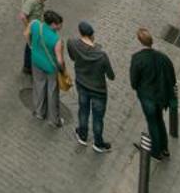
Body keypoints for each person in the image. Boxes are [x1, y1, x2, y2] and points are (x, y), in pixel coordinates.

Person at [67, 20, 116, 152]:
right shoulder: (101, 56)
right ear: (92, 35)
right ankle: (98, 143)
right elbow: (111, 76)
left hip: (82, 85)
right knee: (98, 118)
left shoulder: (72, 43)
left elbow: (72, 57)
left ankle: (82, 135)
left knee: (83, 109)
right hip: (98, 91)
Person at [130, 28, 176, 160]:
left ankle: (156, 151)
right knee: (159, 119)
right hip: (161, 97)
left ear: (139, 42)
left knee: (152, 123)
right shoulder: (163, 57)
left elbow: (133, 82)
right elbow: (172, 77)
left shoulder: (137, 59)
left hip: (147, 97)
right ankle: (164, 147)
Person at [29, 9, 65, 126]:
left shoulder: (35, 25)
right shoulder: (56, 40)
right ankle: (54, 120)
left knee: (38, 85)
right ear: (53, 24)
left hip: (36, 61)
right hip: (50, 67)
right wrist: (63, 70)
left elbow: (26, 34)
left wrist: (32, 47)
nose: (60, 26)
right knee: (52, 91)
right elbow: (59, 60)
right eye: (59, 24)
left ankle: (39, 112)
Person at [19, 0, 49, 75]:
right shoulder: (30, 0)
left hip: (37, 26)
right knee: (30, 46)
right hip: (32, 28)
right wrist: (29, 28)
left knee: (34, 45)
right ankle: (27, 67)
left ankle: (31, 65)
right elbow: (23, 16)